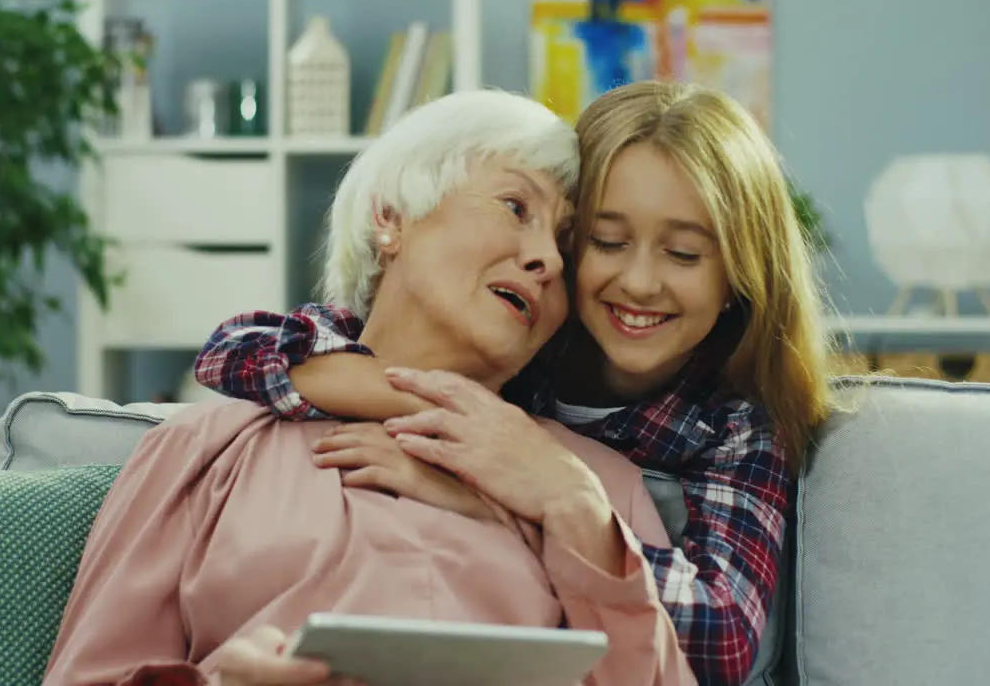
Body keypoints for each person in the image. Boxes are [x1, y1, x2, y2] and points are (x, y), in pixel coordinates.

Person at [42, 89, 696, 686]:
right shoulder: (199, 452)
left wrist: (574, 511)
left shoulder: (599, 488)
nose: (547, 260)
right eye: (514, 206)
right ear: (392, 218)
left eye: (565, 244)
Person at [193, 81, 838, 685]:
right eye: (605, 242)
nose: (640, 282)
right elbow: (238, 350)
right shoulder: (528, 345)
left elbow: (722, 638)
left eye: (684, 254)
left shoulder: (739, 422)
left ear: (740, 276)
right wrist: (458, 416)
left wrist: (528, 497)